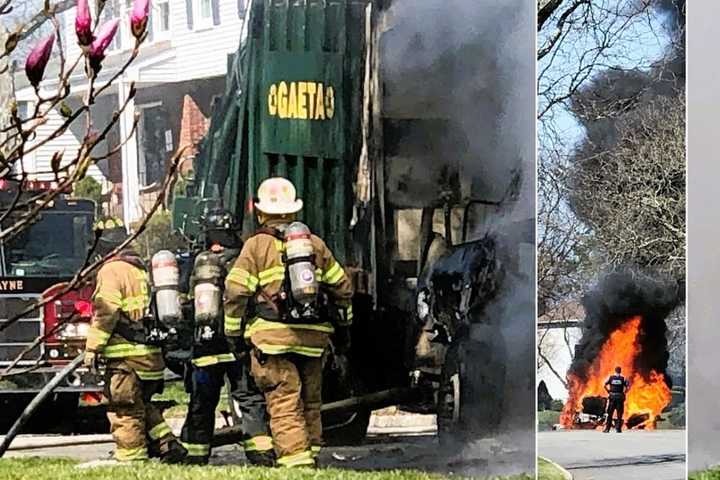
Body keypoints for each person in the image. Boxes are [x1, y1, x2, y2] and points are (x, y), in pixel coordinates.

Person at [224, 177, 354, 468]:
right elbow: (343, 289)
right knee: (310, 400)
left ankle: (296, 463)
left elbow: (235, 292)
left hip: (272, 339)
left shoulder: (256, 246)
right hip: (313, 339)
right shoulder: (316, 245)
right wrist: (343, 329)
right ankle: (312, 455)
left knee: (284, 400)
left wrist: (233, 335)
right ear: (294, 211)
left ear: (260, 212)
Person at [83, 218, 187, 463]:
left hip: (126, 357)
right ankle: (169, 446)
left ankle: (130, 458)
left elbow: (106, 311)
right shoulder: (140, 268)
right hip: (150, 356)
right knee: (141, 405)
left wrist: (92, 347)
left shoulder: (111, 270)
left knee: (125, 409)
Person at [179, 208, 275, 465]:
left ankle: (194, 457)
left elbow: (188, 304)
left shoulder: (201, 263)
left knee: (202, 401)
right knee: (249, 398)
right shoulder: (243, 258)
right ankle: (261, 454)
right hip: (237, 344)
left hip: (205, 346)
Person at [604, 366, 630, 433]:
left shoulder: (610, 378)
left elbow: (604, 385)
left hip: (612, 398)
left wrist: (608, 391)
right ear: (620, 371)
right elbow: (628, 387)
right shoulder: (623, 378)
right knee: (619, 414)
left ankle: (607, 429)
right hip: (620, 398)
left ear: (615, 371)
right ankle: (618, 429)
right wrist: (624, 393)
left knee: (610, 414)